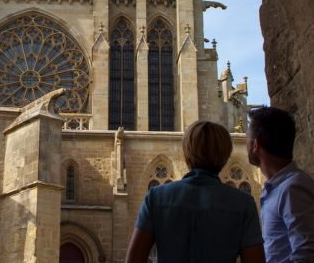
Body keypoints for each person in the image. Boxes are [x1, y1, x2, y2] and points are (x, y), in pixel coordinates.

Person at [126, 120, 265, 263]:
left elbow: (134, 259)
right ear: (225, 158)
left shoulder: (156, 198)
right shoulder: (243, 204)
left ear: (186, 156)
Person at [247, 106, 314, 262]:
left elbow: (308, 253)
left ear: (256, 145)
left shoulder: (293, 188)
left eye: (247, 139)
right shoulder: (278, 188)